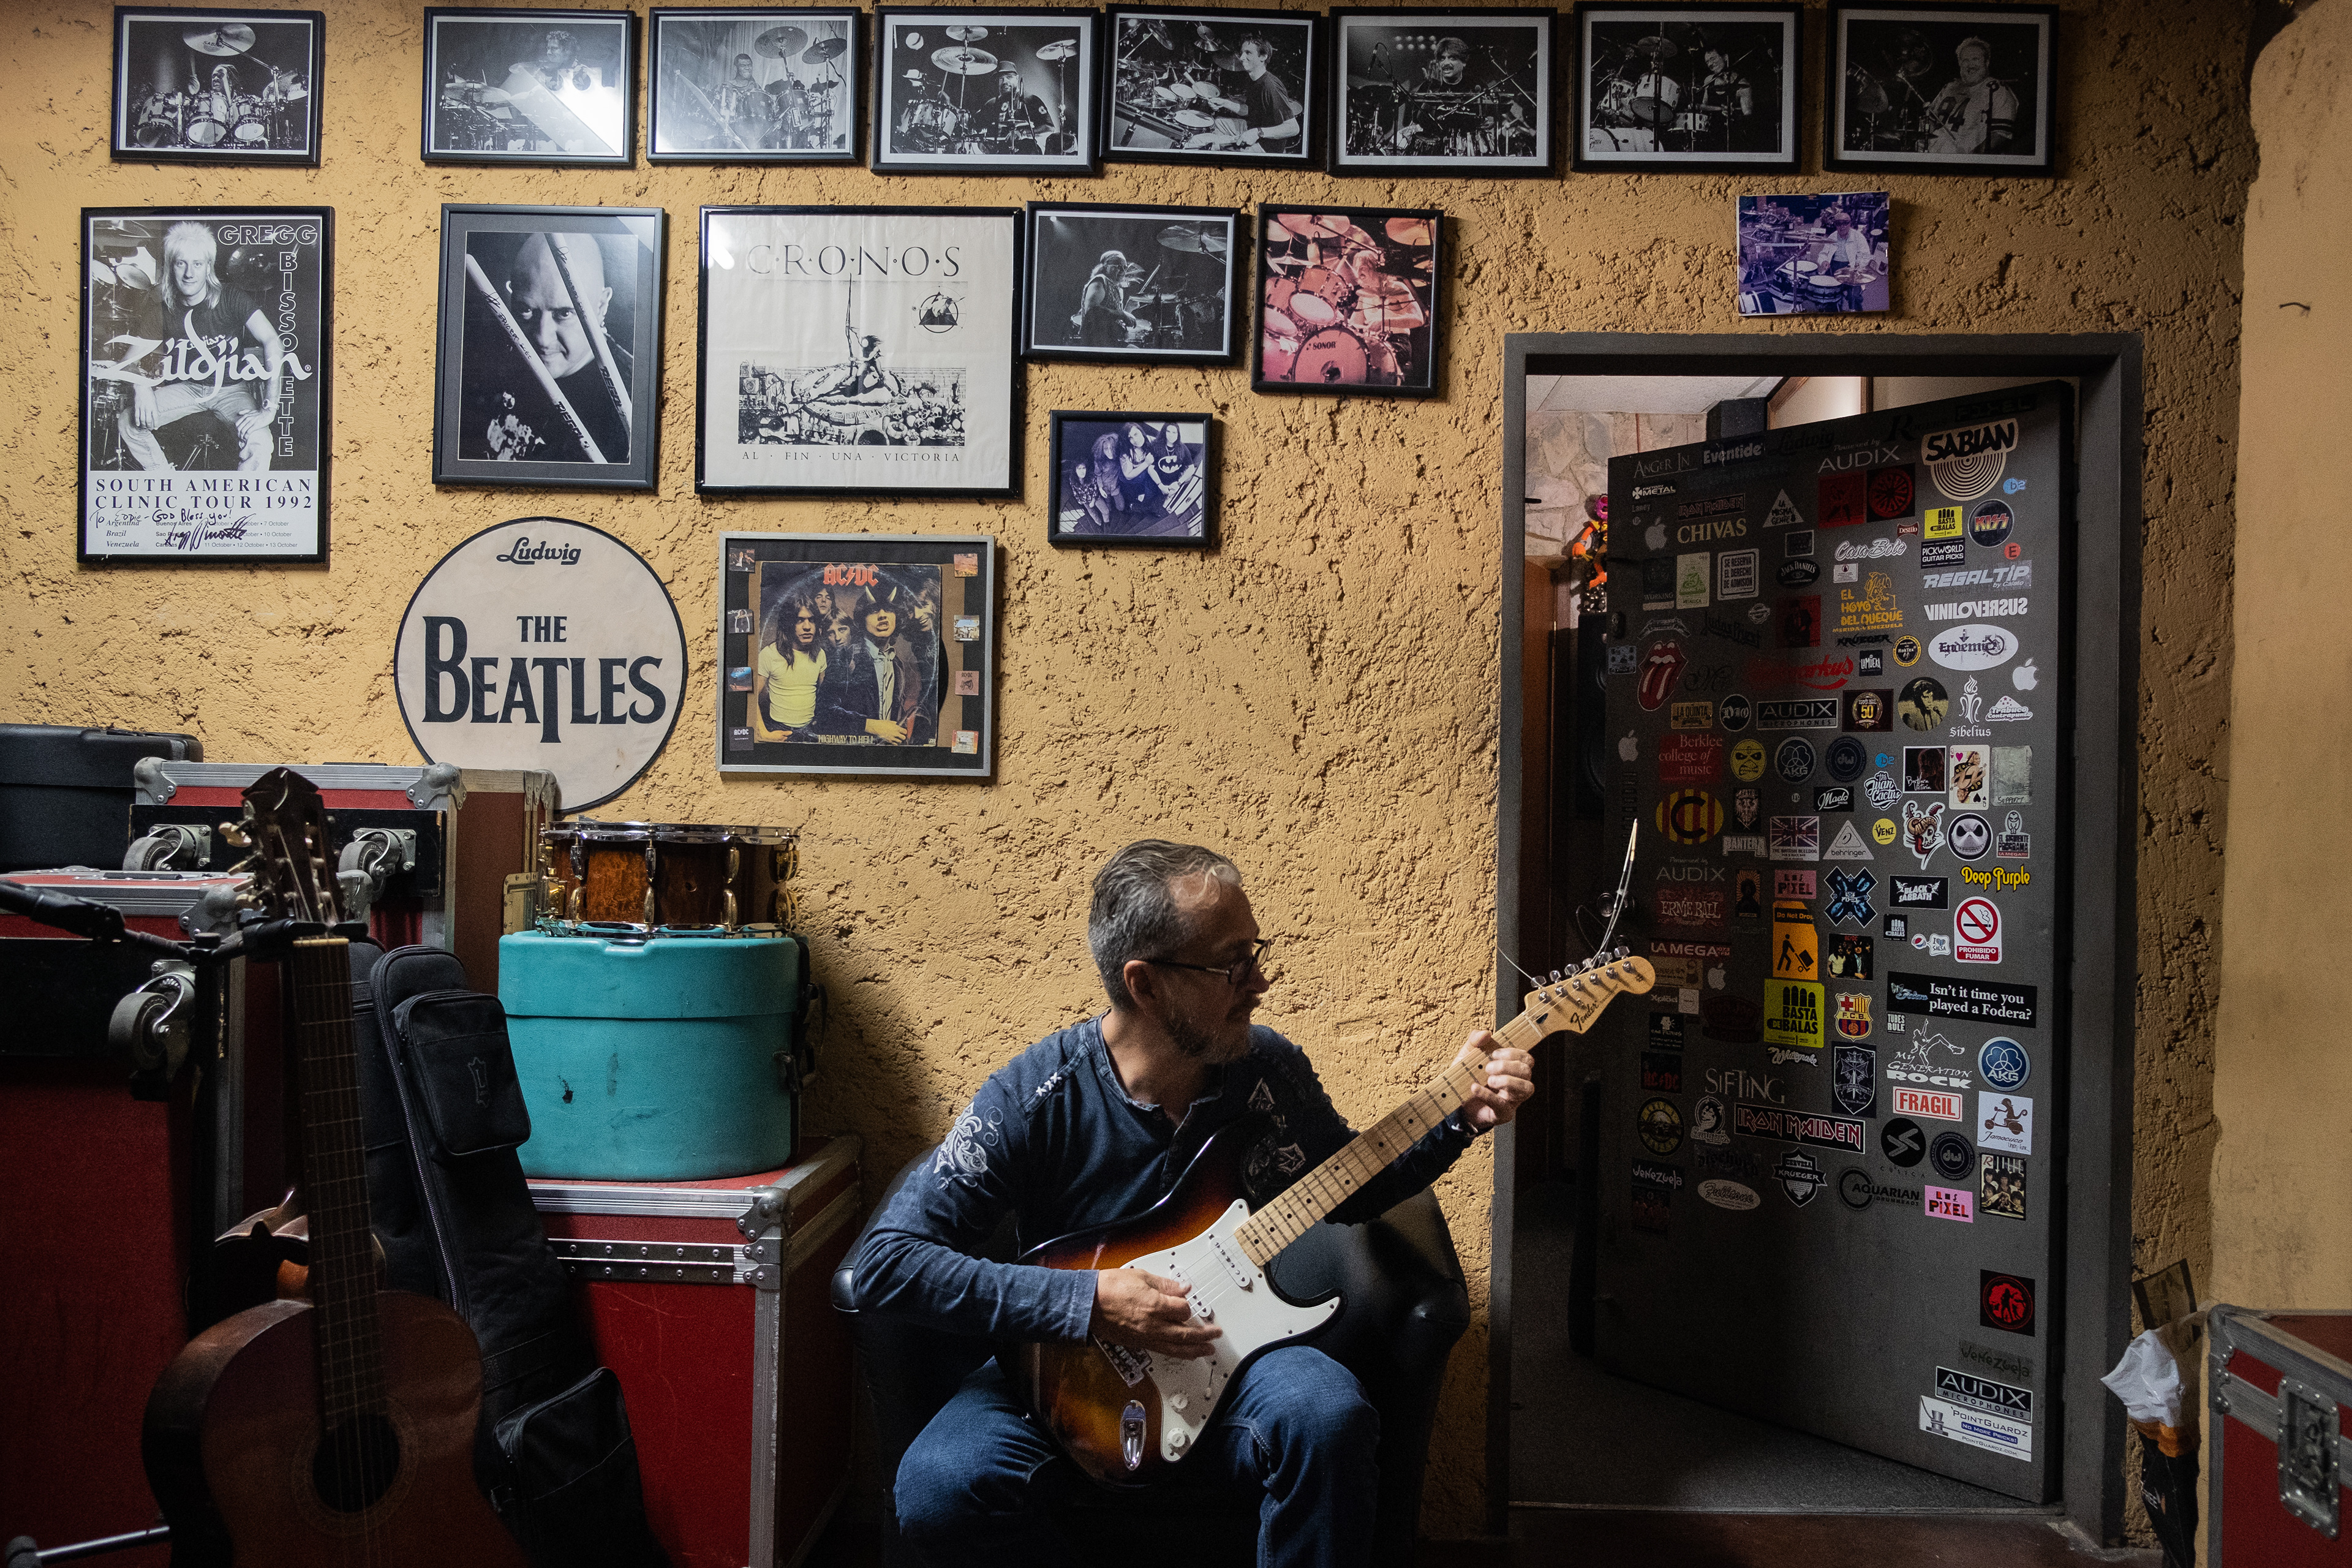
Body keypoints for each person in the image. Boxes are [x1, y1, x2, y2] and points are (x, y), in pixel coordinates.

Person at [853, 840, 1534, 1568]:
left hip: (1234, 1355)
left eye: (1256, 951)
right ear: (1144, 985)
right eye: (1231, 964)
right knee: (937, 1484)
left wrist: (1460, 1116)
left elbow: (1353, 1182)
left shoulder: (1264, 1070)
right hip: (1067, 1379)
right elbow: (886, 1265)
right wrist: (1087, 1300)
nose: (1260, 980)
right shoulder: (1033, 1098)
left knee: (1327, 1416)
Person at [115, 221, 290, 473]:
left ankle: (245, 507)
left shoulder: (232, 297)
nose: (189, 273)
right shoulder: (161, 312)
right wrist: (141, 386)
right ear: (171, 266)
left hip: (231, 390)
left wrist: (270, 409)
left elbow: (272, 341)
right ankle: (166, 482)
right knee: (128, 422)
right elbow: (128, 361)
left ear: (208, 266)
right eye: (181, 263)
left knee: (260, 441)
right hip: (188, 388)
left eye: (197, 264)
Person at [472, 232, 631, 464]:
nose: (542, 338)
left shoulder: (632, 404)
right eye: (526, 310)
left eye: (564, 313)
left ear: (602, 304)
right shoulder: (496, 353)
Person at [813, 578, 940, 744]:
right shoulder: (846, 657)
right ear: (862, 620)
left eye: (888, 610)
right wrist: (872, 726)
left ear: (897, 618)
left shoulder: (897, 664)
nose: (882, 616)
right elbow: (823, 712)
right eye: (873, 611)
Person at [1188, 34, 1302, 153]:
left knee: (1198, 142)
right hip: (1251, 127)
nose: (1241, 58)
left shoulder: (1270, 86)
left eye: (1248, 53)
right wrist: (1224, 103)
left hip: (1265, 146)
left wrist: (1258, 132)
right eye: (1242, 53)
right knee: (1217, 123)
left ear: (1263, 56)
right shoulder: (1253, 79)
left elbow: (1293, 128)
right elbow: (1248, 110)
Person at [1922, 36, 2018, 155]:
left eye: (1975, 59)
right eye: (1965, 61)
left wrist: (1974, 159)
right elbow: (1930, 123)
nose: (1970, 65)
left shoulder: (1996, 90)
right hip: (1932, 154)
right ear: (1960, 64)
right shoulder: (1949, 88)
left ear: (1987, 62)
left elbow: (2000, 134)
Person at [756, 592, 827, 737]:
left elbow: (825, 695)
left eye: (811, 620)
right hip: (778, 727)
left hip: (810, 728)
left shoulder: (820, 654)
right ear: (789, 623)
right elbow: (750, 697)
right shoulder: (770, 654)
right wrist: (764, 733)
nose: (807, 627)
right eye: (800, 620)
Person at [1077, 251, 1145, 348]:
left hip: (1109, 341)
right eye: (1118, 267)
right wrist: (1122, 314)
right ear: (1105, 266)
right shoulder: (1100, 281)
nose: (1123, 271)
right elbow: (1092, 311)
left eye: (1125, 267)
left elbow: (1111, 317)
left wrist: (1127, 310)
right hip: (1097, 344)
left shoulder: (1115, 287)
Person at [1694, 47, 1752, 151]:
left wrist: (1735, 114)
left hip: (1733, 137)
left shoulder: (1742, 84)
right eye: (1707, 62)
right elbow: (1704, 106)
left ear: (1725, 57)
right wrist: (1718, 109)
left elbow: (1748, 115)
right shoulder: (1709, 80)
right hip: (1711, 135)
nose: (1710, 64)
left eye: (1713, 59)